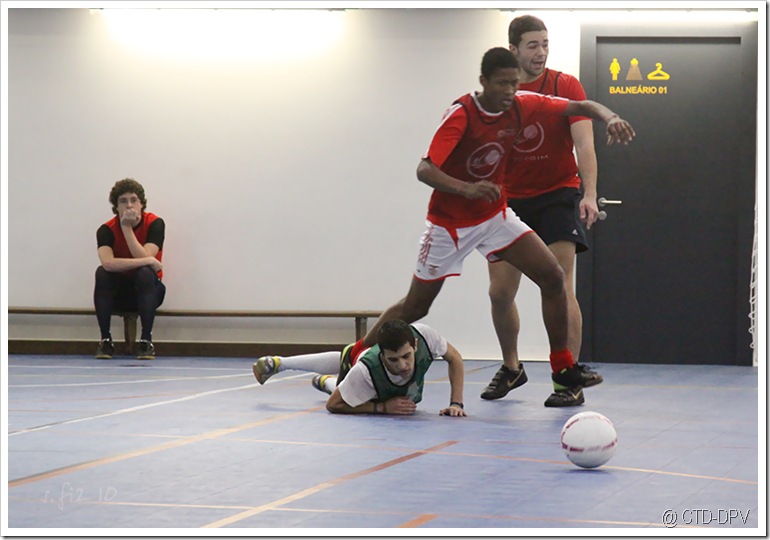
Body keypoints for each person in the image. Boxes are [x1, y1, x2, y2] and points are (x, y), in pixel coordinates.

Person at [346, 47, 634, 407]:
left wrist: (612, 116)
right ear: (483, 82)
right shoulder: (462, 114)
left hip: (495, 217)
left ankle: (563, 369)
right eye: (502, 84)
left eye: (514, 83)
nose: (510, 91)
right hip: (449, 226)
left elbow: (579, 107)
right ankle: (355, 354)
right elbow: (425, 169)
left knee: (552, 276)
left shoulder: (522, 103)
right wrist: (468, 189)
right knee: (416, 307)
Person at [482, 15, 605, 402]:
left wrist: (589, 193)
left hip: (557, 195)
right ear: (513, 49)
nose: (541, 52)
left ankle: (566, 379)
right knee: (500, 292)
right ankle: (512, 367)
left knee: (558, 283)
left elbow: (584, 144)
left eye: (545, 44)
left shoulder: (564, 86)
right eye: (532, 45)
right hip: (510, 201)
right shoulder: (500, 93)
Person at [252, 319, 467, 417]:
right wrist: (381, 409)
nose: (402, 365)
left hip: (369, 376)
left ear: (416, 346)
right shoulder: (366, 370)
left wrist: (456, 403)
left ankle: (324, 381)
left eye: (406, 356)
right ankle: (281, 363)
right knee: (346, 383)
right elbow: (333, 404)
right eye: (393, 360)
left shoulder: (426, 336)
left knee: (344, 387)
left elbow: (455, 358)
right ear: (382, 355)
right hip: (357, 365)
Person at [94, 178, 166, 360]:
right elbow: (107, 264)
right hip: (119, 294)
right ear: (116, 207)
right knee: (102, 273)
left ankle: (146, 341)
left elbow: (143, 257)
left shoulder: (155, 224)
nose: (129, 206)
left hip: (150, 291)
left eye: (134, 200)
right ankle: (105, 340)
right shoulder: (105, 230)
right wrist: (149, 260)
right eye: (123, 201)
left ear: (142, 204)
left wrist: (127, 229)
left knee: (144, 274)